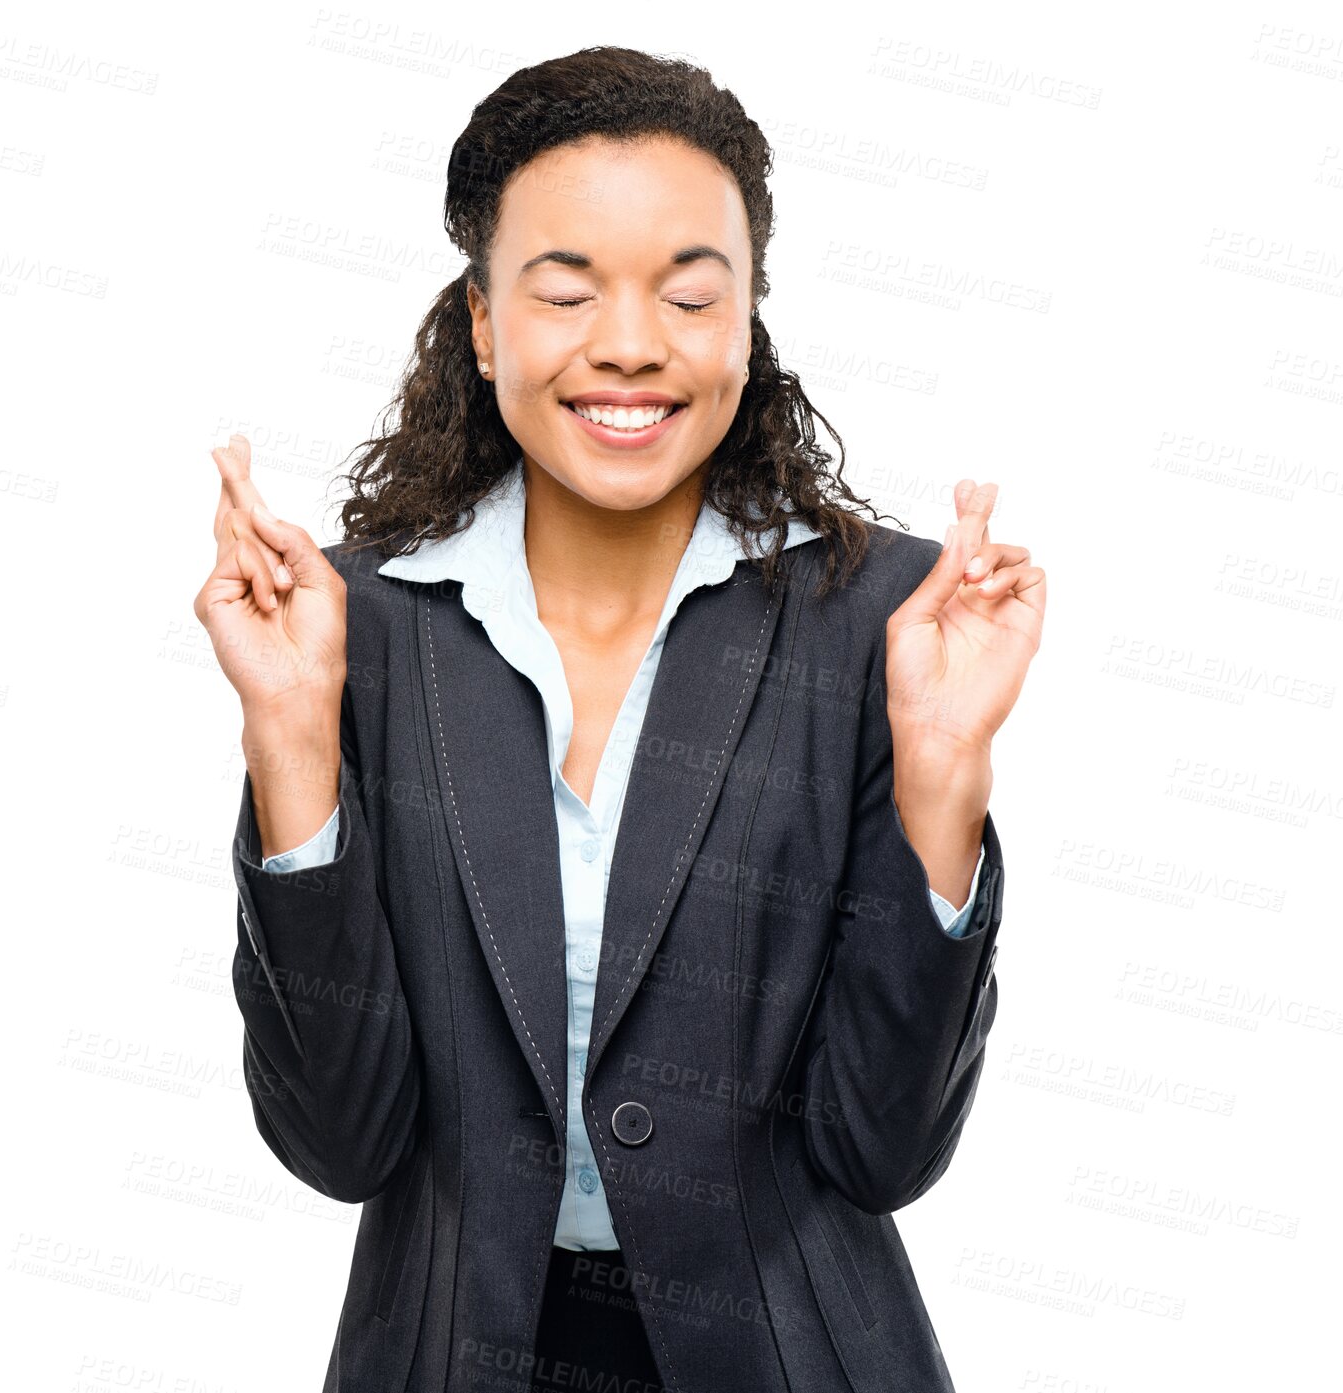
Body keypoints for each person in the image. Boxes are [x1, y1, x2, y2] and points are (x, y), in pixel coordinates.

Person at [193, 45, 1044, 1393]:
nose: (632, 341)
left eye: (688, 292)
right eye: (566, 289)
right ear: (482, 323)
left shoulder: (881, 616)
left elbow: (882, 1148)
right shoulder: (352, 625)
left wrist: (941, 776)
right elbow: (341, 1142)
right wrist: (292, 735)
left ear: (747, 321)